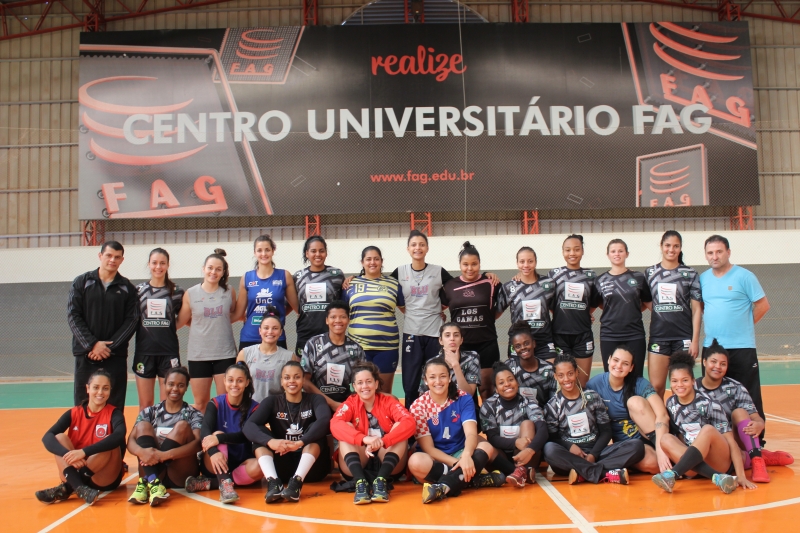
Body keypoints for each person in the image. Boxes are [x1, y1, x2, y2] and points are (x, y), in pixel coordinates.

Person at [651, 352, 756, 494]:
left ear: (693, 381)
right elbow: (681, 434)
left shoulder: (710, 404)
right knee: (665, 438)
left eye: (685, 380)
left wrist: (741, 476)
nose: (679, 385)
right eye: (675, 381)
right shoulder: (671, 403)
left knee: (707, 429)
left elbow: (731, 442)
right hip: (692, 467)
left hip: (718, 462)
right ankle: (717, 477)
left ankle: (673, 474)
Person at [407, 358, 506, 504]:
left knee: (486, 446)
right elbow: (429, 448)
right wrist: (458, 463)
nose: (438, 381)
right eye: (432, 377)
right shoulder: (418, 406)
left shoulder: (463, 398)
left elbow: (471, 434)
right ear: (426, 381)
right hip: (436, 459)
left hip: (460, 450)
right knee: (415, 462)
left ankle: (444, 486)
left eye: (442, 376)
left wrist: (466, 455)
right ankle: (475, 479)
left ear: (449, 378)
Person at [696, 339, 794, 483]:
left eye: (723, 364)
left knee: (740, 412)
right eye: (713, 362)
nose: (717, 367)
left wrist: (759, 424)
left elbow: (755, 417)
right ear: (704, 362)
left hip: (734, 442)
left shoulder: (735, 387)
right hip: (709, 444)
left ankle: (757, 460)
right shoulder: (692, 388)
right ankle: (758, 456)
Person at [700, 234, 770, 429]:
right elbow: (702, 308)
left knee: (748, 395)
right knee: (712, 396)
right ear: (705, 255)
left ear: (728, 252)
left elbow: (763, 305)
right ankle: (721, 438)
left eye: (719, 252)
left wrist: (743, 325)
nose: (715, 256)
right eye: (710, 253)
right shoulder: (703, 279)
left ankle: (755, 442)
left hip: (741, 347)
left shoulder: (745, 276)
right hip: (711, 348)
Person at [543, 354, 645, 485]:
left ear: (577, 372)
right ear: (555, 377)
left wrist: (593, 455)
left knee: (636, 446)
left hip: (596, 452)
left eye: (570, 374)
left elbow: (606, 431)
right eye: (561, 375)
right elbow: (553, 437)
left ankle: (582, 473)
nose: (566, 379)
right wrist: (570, 446)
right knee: (549, 449)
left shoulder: (592, 397)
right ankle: (604, 474)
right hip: (570, 455)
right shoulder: (552, 405)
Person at [243, 361, 332, 503]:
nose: (292, 381)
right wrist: (271, 442)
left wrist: (301, 442)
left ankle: (297, 483)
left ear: (303, 380)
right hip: (282, 465)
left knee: (316, 432)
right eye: (287, 377)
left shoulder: (315, 399)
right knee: (259, 434)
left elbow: (325, 420)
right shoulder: (272, 401)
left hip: (312, 469)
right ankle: (273, 482)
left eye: (297, 377)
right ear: (281, 381)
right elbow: (248, 426)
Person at [36, 369, 126, 505]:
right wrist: (68, 455)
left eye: (105, 388)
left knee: (110, 440)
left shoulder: (114, 413)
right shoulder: (74, 413)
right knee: (59, 437)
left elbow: (119, 435)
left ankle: (68, 488)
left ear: (110, 391)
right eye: (96, 387)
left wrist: (83, 452)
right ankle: (80, 488)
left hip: (103, 477)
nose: (100, 392)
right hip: (75, 469)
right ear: (88, 388)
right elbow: (47, 437)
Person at [330, 361, 415, 504]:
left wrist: (383, 441)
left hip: (386, 460)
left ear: (376, 384)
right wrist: (364, 439)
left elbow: (409, 422)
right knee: (345, 427)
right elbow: (335, 424)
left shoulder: (388, 401)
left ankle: (381, 481)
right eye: (360, 383)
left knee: (400, 428)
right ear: (354, 386)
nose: (365, 386)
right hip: (359, 460)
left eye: (369, 381)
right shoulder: (350, 403)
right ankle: (360, 483)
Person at [68, 241, 139, 409]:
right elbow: (73, 315)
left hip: (114, 356)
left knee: (114, 404)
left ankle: (113, 428)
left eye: (117, 257)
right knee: (83, 403)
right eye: (109, 255)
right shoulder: (82, 282)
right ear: (100, 256)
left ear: (122, 260)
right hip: (86, 354)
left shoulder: (127, 288)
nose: (112, 260)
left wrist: (108, 348)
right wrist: (92, 345)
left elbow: (132, 321)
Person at [391, 230, 454, 408]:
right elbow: (384, 285)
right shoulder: (400, 271)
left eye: (421, 244)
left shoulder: (438, 271)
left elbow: (457, 287)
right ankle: (411, 419)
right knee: (410, 384)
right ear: (408, 249)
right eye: (413, 245)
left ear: (427, 248)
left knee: (435, 379)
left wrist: (486, 274)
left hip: (434, 332)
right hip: (412, 332)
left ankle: (436, 415)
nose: (417, 248)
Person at [184, 365, 263, 504]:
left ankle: (213, 483)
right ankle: (226, 487)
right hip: (215, 461)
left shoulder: (255, 408)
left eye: (239, 380)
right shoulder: (215, 403)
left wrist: (219, 438)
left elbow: (246, 435)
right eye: (230, 380)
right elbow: (205, 431)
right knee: (216, 434)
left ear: (247, 382)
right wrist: (213, 451)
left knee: (261, 466)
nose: (234, 384)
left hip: (241, 462)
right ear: (224, 381)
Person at [586, 346, 671, 475]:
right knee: (654, 465)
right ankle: (626, 462)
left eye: (625, 363)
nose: (619, 366)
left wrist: (660, 449)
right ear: (609, 360)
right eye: (616, 360)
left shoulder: (639, 383)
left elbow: (663, 415)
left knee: (634, 402)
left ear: (631, 367)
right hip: (627, 446)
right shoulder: (595, 384)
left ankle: (664, 452)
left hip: (648, 437)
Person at [127, 367, 203, 506]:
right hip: (153, 473)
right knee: (143, 425)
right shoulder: (150, 412)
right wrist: (141, 452)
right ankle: (154, 482)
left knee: (182, 426)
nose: (175, 389)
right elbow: (130, 440)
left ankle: (148, 479)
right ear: (164, 384)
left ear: (186, 387)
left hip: (180, 474)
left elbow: (198, 443)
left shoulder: (193, 414)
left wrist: (166, 455)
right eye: (171, 384)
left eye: (180, 385)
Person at [177, 249, 238, 414]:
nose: (213, 272)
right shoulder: (191, 293)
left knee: (225, 401)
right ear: (203, 268)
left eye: (218, 269)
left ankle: (223, 430)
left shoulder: (229, 291)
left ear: (223, 272)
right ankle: (202, 431)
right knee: (200, 403)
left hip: (224, 353)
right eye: (210, 268)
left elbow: (231, 315)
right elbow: (181, 320)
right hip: (199, 355)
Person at [645, 230, 703, 399]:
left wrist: (695, 340)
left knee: (682, 386)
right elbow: (644, 300)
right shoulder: (650, 273)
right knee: (656, 387)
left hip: (683, 337)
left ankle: (681, 416)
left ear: (680, 248)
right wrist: (661, 310)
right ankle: (658, 417)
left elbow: (697, 310)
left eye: (676, 246)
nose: (671, 249)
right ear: (661, 246)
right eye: (668, 245)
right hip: (659, 336)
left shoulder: (690, 274)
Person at [441, 241, 502, 400]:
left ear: (480, 264)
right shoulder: (450, 286)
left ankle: (488, 417)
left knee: (487, 390)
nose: (470, 268)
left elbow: (500, 308)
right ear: (460, 265)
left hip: (487, 343)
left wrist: (487, 318)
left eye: (474, 264)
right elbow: (439, 307)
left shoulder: (491, 283)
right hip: (462, 346)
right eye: (465, 264)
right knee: (466, 393)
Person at [344, 246, 405, 394]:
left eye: (376, 259)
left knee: (384, 393)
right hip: (358, 347)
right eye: (368, 259)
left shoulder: (393, 284)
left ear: (381, 261)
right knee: (362, 392)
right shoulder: (350, 285)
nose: (372, 262)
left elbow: (406, 310)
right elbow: (342, 313)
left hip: (387, 347)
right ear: (362, 262)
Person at [479, 362, 548, 488]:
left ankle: (521, 470)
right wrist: (515, 442)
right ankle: (522, 472)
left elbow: (543, 430)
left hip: (526, 455)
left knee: (527, 424)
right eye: (501, 383)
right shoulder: (488, 406)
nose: (507, 384)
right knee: (482, 443)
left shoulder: (528, 402)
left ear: (517, 383)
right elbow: (492, 438)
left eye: (510, 380)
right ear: (496, 388)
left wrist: (529, 450)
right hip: (501, 458)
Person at [133, 247, 185, 413]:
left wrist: (167, 328)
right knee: (145, 405)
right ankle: (145, 430)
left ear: (168, 265)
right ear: (149, 264)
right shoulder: (138, 291)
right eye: (154, 263)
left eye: (162, 263)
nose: (158, 267)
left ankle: (164, 430)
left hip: (168, 352)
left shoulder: (176, 292)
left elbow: (183, 318)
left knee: (168, 403)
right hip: (144, 352)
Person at [548, 235, 600, 387]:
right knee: (563, 383)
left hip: (583, 335)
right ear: (563, 252)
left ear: (582, 251)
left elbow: (593, 302)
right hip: (559, 335)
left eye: (576, 249)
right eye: (568, 250)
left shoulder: (590, 276)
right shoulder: (554, 274)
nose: (572, 253)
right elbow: (549, 302)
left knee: (582, 383)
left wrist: (585, 313)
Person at [595, 239, 652, 377]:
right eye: (613, 251)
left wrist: (632, 309)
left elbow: (647, 303)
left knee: (635, 376)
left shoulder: (638, 277)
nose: (617, 254)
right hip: (609, 334)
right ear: (608, 255)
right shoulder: (600, 280)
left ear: (627, 254)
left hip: (634, 334)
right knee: (611, 375)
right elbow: (599, 304)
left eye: (620, 251)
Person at [236, 234, 299, 351]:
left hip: (275, 336)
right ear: (255, 253)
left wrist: (276, 314)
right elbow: (238, 313)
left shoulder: (284, 275)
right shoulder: (247, 277)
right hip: (250, 337)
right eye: (259, 250)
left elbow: (296, 307)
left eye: (267, 250)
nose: (263, 254)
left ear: (273, 251)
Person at [301, 300, 366, 412]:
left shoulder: (356, 349)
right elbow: (304, 381)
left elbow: (362, 382)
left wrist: (349, 405)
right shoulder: (313, 344)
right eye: (333, 317)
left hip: (344, 404)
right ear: (327, 320)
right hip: (316, 403)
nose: (338, 320)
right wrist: (332, 404)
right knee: (324, 418)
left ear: (348, 320)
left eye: (342, 317)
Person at [497, 246, 557, 362]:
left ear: (536, 262)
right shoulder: (509, 287)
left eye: (530, 261)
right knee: (519, 373)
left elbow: (555, 311)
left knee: (549, 372)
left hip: (544, 340)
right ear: (517, 263)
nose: (526, 265)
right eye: (522, 261)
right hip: (519, 341)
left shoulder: (548, 284)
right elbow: (497, 313)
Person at [293, 236, 345, 358]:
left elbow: (343, 302)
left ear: (326, 253)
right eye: (313, 251)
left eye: (321, 251)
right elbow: (292, 302)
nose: (318, 254)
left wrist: (351, 279)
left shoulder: (336, 275)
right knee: (304, 369)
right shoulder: (298, 276)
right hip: (305, 332)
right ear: (307, 253)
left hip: (330, 332)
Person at [236, 305, 294, 402]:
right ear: (260, 330)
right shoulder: (245, 353)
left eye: (275, 328)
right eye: (266, 328)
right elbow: (237, 382)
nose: (270, 332)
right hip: (251, 407)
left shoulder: (289, 357)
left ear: (280, 332)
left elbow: (292, 386)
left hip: (277, 407)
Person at [418, 322, 481, 399]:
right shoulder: (432, 363)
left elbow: (468, 394)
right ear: (440, 340)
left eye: (456, 335)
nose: (452, 339)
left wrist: (455, 365)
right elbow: (423, 394)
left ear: (461, 340)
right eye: (447, 335)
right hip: (439, 404)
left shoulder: (471, 358)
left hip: (464, 404)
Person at [505, 321, 557, 409]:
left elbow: (554, 400)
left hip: (543, 414)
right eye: (518, 346)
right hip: (516, 414)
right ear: (514, 349)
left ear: (534, 343)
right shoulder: (508, 368)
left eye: (526, 343)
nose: (523, 348)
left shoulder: (548, 369)